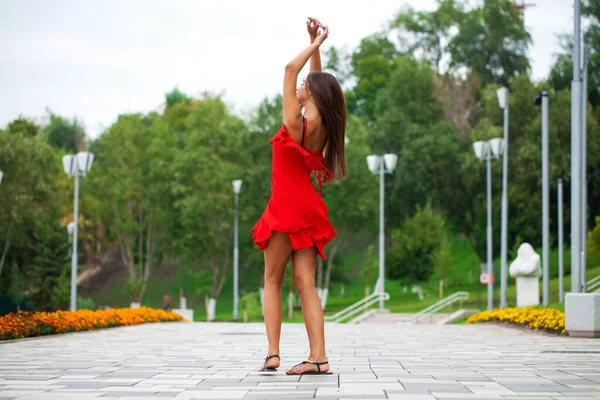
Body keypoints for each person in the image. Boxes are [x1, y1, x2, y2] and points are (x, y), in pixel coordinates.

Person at [251, 17, 348, 375]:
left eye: (306, 84)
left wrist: (319, 40)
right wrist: (316, 45)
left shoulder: (295, 121)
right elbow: (318, 83)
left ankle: (273, 353)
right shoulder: (323, 127)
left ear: (311, 94)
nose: (301, 82)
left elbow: (291, 67)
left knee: (272, 281)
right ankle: (318, 356)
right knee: (305, 283)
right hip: (308, 209)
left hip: (284, 208)